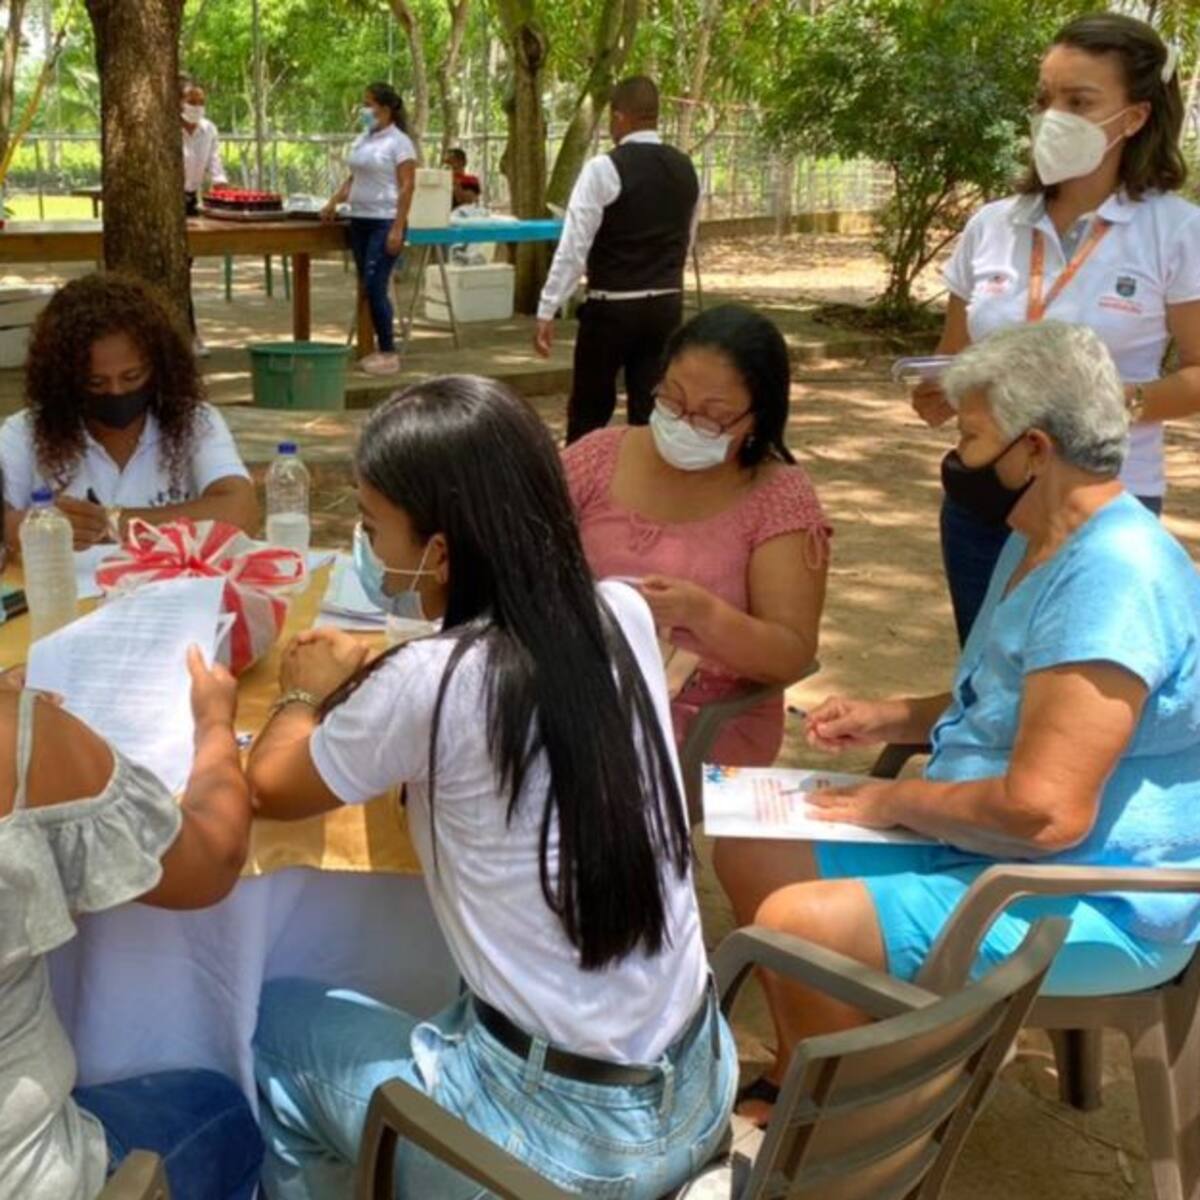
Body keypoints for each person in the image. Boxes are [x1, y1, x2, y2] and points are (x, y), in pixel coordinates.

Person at [247, 375, 736, 1200]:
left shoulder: (437, 681)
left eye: (371, 527)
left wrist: (304, 687)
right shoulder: (620, 612)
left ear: (438, 551)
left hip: (550, 1151)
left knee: (270, 1034)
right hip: (693, 1092)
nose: (366, 545)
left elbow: (272, 783)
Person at [727, 321, 1200, 1125]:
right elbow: (1026, 698)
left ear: (1036, 449)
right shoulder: (1042, 537)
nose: (958, 458)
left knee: (794, 922)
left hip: (1089, 894)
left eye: (973, 437)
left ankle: (856, 1135)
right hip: (994, 847)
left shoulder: (1112, 578)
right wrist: (895, 715)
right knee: (752, 841)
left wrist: (893, 803)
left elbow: (1044, 811)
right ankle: (821, 1077)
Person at [913, 12, 1200, 645]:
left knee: (1077, 685)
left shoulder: (1175, 232)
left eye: (1079, 101)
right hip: (985, 497)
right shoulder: (992, 224)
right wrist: (939, 390)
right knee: (984, 680)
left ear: (1134, 118)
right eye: (1045, 99)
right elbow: (952, 355)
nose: (1052, 116)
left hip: (1100, 497)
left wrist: (1108, 403)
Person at [1, 649, 263, 1199]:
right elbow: (212, 861)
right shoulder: (21, 738)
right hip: (36, 1176)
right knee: (224, 1109)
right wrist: (216, 723)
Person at [562, 304, 829, 769]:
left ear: (755, 420)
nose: (684, 423)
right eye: (671, 400)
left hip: (704, 719)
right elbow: (518, 553)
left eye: (711, 418)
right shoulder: (598, 455)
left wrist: (700, 614)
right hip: (584, 687)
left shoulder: (779, 497)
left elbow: (789, 655)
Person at [0, 273, 258, 551]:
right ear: (65, 380)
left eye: (132, 376)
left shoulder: (194, 421)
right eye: (95, 382)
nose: (116, 392)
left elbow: (240, 512)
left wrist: (114, 523)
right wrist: (40, 526)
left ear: (158, 366)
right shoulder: (25, 432)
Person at [535, 75, 700, 443]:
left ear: (620, 117)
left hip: (613, 308)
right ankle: (649, 492)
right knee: (651, 410)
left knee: (590, 411)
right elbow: (687, 239)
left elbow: (575, 245)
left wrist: (548, 306)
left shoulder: (603, 169)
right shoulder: (687, 169)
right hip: (665, 306)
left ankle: (580, 489)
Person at [322, 83, 417, 377]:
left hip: (385, 219)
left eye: (369, 104)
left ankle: (389, 349)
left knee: (377, 285)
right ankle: (375, 347)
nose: (364, 110)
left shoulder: (400, 143)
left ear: (386, 110)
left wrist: (398, 227)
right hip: (359, 219)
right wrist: (334, 202)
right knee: (366, 283)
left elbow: (407, 184)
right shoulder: (363, 139)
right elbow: (354, 178)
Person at [181, 79, 228, 357]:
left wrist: (220, 182)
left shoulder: (208, 130)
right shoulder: (166, 128)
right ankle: (187, 333)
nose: (196, 107)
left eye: (201, 102)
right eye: (191, 101)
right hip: (166, 198)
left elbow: (214, 161)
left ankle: (191, 335)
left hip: (189, 201)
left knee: (184, 268)